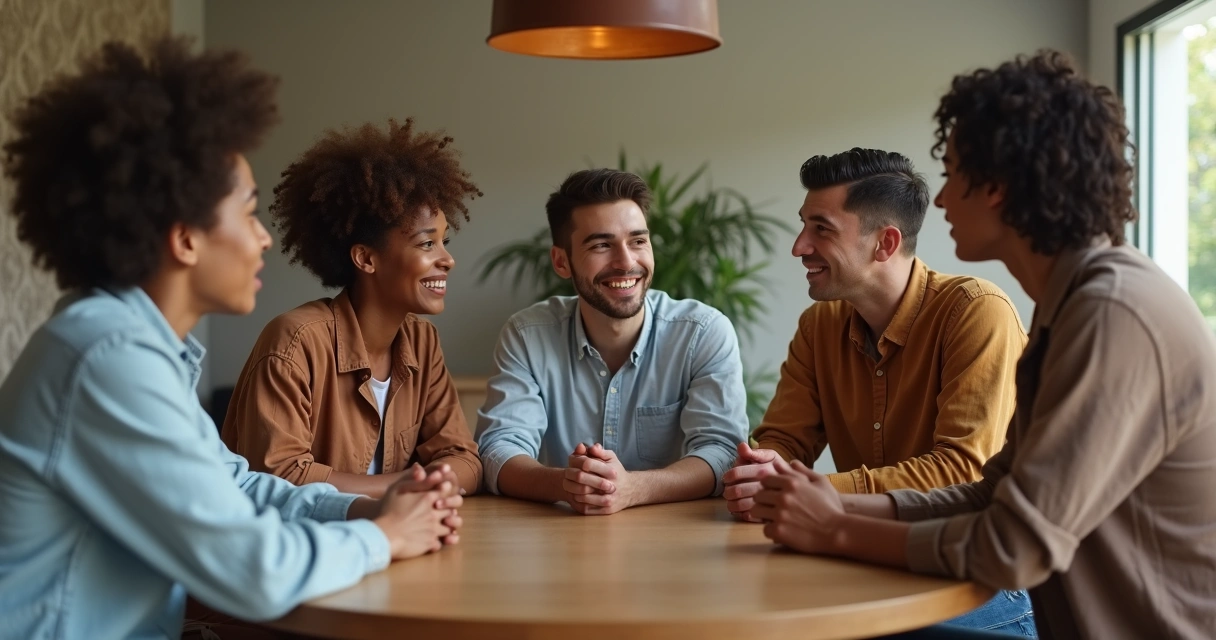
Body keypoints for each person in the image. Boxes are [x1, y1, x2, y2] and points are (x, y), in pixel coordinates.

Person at [0, 38, 461, 640]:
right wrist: (385, 536)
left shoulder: (129, 348)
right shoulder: (108, 358)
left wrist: (364, 507)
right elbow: (251, 570)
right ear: (186, 238)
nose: (264, 238)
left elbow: (237, 486)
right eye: (247, 212)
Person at [754, 50, 1216, 639]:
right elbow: (992, 493)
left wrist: (834, 529)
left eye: (951, 174)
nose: (940, 199)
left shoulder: (1111, 312)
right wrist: (831, 502)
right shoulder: (1073, 302)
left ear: (997, 185)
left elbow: (1013, 546)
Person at [724, 148, 1033, 635]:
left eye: (821, 229)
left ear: (885, 243)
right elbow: (783, 441)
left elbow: (962, 471)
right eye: (804, 225)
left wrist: (811, 494)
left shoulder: (978, 312)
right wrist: (763, 471)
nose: (799, 246)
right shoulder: (819, 325)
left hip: (982, 574)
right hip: (867, 555)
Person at [220, 119, 483, 498]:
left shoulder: (422, 342)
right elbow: (278, 478)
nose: (448, 260)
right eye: (428, 244)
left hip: (396, 539)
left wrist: (425, 484)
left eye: (444, 241)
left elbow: (463, 457)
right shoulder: (294, 342)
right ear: (366, 258)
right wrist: (403, 487)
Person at [476, 168, 747, 514]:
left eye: (638, 241)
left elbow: (721, 451)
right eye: (602, 245)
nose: (626, 262)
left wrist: (633, 489)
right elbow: (498, 450)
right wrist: (567, 485)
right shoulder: (527, 335)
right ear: (561, 261)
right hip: (561, 538)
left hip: (676, 541)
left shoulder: (703, 332)